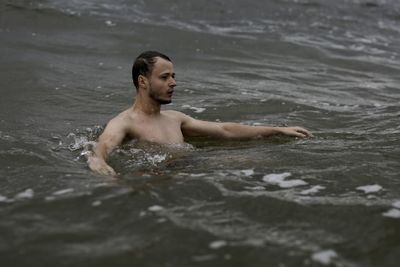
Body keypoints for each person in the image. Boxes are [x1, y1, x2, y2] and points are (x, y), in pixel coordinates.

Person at [88, 51, 312, 175]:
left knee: (263, 162)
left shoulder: (175, 118)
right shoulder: (125, 122)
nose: (173, 82)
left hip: (190, 169)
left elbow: (225, 130)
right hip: (155, 178)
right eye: (165, 77)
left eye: (173, 76)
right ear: (143, 81)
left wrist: (277, 129)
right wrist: (98, 161)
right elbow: (105, 143)